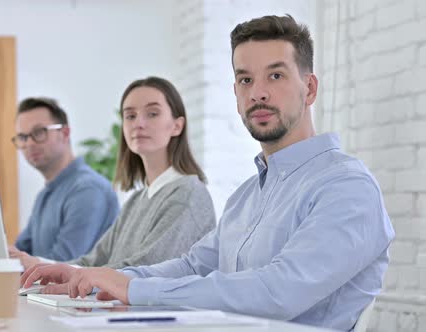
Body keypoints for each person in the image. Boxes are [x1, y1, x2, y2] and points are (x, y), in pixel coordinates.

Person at [21, 15, 395, 331]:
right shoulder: (247, 195)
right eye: (246, 80)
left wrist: (130, 288)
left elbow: (276, 293)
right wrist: (88, 277)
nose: (258, 93)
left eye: (276, 76)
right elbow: (192, 265)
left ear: (309, 88)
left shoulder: (345, 186)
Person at [16, 77, 216, 270]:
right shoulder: (136, 200)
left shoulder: (188, 194)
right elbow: (92, 262)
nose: (138, 123)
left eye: (152, 114)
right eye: (130, 116)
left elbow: (144, 270)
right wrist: (39, 266)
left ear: (177, 126)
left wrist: (49, 269)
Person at [9, 97, 119, 262]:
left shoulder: (88, 189)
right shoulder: (46, 194)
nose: (30, 143)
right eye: (23, 137)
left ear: (65, 133)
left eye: (39, 132)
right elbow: (19, 253)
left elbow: (63, 266)